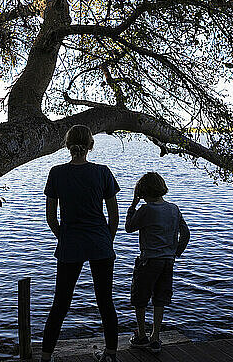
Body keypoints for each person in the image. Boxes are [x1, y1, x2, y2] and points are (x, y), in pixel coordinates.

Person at [41, 125, 120, 362]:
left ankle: (45, 357)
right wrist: (107, 239)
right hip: (100, 242)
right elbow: (114, 216)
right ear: (90, 145)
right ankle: (111, 355)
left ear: (67, 145)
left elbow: (51, 218)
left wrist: (63, 237)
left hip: (71, 244)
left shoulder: (56, 173)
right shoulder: (103, 172)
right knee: (105, 301)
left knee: (60, 304)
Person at [125, 172, 190, 354]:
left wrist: (133, 206)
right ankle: (155, 337)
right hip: (167, 262)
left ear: (142, 192)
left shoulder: (146, 210)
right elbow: (185, 233)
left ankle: (141, 336)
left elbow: (129, 227)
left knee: (140, 298)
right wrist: (176, 252)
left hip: (148, 261)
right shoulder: (174, 209)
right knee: (160, 298)